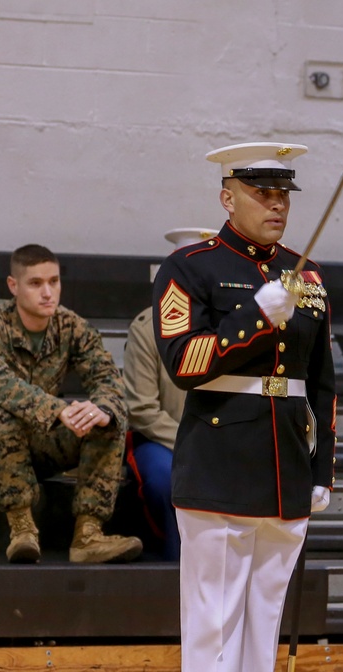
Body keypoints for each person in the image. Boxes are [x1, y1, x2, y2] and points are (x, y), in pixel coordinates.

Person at [152, 142, 336, 672]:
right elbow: (185, 361)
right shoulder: (190, 268)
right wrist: (256, 316)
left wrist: (323, 466)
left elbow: (321, 382)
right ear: (227, 197)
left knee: (261, 628)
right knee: (212, 624)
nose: (277, 203)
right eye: (262, 191)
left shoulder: (307, 275)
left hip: (286, 467)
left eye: (284, 192)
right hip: (220, 462)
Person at [0, 244, 143, 564]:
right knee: (2, 416)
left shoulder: (71, 326)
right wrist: (58, 409)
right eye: (36, 283)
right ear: (14, 286)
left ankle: (88, 536)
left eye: (54, 281)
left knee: (106, 420)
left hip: (37, 442)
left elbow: (108, 379)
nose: (48, 292)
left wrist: (102, 409)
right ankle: (22, 530)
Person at [123, 230, 215, 560]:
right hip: (161, 440)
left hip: (217, 439)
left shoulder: (232, 326)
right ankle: (175, 574)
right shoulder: (147, 328)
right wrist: (196, 446)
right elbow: (141, 409)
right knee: (171, 481)